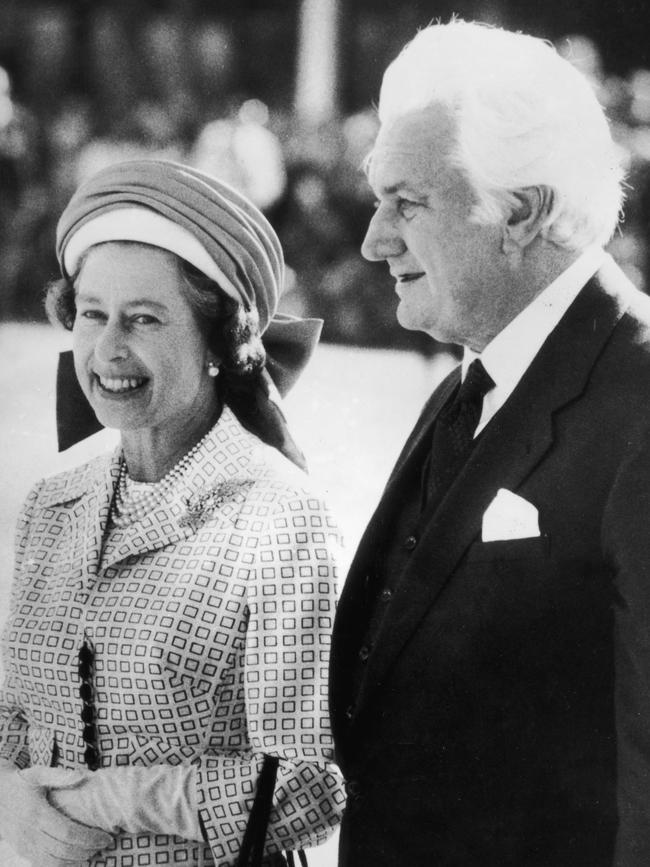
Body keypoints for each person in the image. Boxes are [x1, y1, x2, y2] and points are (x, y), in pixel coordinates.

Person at [329, 19, 650, 867]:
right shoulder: (470, 387)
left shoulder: (642, 400)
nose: (373, 240)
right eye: (376, 200)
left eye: (410, 202)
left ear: (523, 212)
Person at [0, 158, 345, 867]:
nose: (108, 349)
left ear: (221, 342)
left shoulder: (281, 518)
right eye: (92, 313)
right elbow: (14, 724)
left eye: (145, 319)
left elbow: (311, 783)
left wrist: (109, 801)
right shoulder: (51, 507)